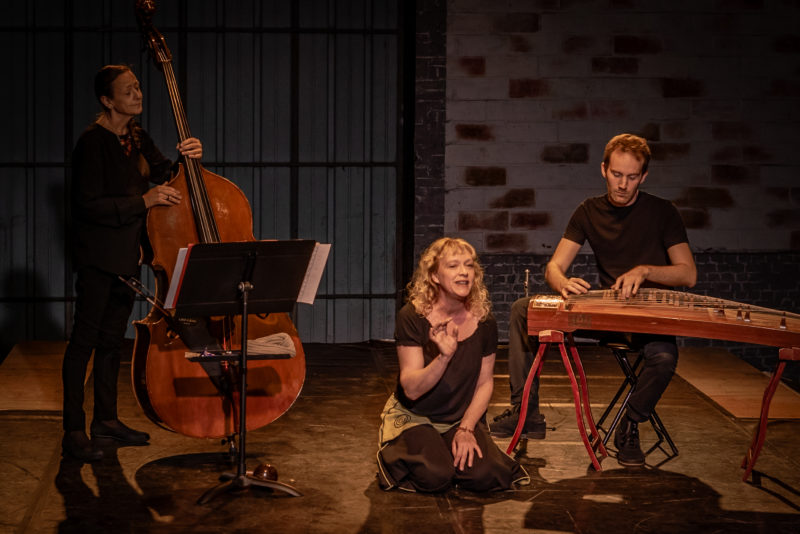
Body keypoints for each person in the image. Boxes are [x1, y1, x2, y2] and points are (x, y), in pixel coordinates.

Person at [490, 133, 697, 467]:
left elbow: (688, 274)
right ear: (604, 170)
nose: (623, 184)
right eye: (617, 174)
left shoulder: (663, 212)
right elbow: (554, 266)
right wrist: (562, 282)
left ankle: (630, 423)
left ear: (643, 177)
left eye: (632, 177)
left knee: (664, 357)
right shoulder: (588, 211)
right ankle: (525, 413)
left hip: (647, 316)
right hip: (605, 312)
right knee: (522, 311)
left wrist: (644, 271)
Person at [61, 64, 203, 462]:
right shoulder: (92, 143)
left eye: (138, 87)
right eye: (127, 90)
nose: (137, 94)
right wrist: (143, 201)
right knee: (83, 344)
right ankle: (73, 428)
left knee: (110, 343)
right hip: (97, 258)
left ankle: (105, 420)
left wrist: (188, 159)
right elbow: (87, 207)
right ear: (107, 100)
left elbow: (168, 177)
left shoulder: (137, 136)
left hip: (129, 255)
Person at [377, 238, 529, 492]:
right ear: (434, 276)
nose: (463, 273)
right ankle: (397, 451)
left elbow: (484, 382)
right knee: (436, 475)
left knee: (486, 474)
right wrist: (444, 357)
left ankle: (448, 446)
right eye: (453, 266)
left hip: (459, 417)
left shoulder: (484, 321)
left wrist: (467, 428)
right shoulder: (412, 317)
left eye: (469, 266)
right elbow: (412, 389)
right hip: (416, 416)